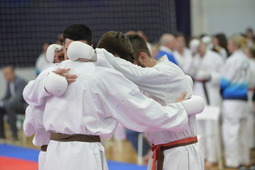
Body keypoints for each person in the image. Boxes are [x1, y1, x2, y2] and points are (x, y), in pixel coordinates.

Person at [23, 25, 205, 170]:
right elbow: (144, 114)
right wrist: (184, 108)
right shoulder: (103, 75)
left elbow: (29, 108)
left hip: (51, 152)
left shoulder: (52, 71)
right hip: (83, 154)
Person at [96, 32, 204, 170]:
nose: (130, 70)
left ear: (142, 57)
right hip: (161, 151)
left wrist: (97, 55)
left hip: (181, 153)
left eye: (132, 65)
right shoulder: (149, 81)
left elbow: (136, 75)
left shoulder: (167, 72)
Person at [190, 40, 224, 166]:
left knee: (211, 127)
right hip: (198, 92)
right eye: (196, 47)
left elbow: (224, 76)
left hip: (212, 93)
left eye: (199, 46)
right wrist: (192, 56)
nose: (198, 49)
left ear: (204, 46)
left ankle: (213, 157)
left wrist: (210, 76)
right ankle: (202, 156)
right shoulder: (195, 58)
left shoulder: (215, 57)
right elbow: (187, 70)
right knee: (199, 128)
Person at [221, 35, 250, 168]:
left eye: (229, 44)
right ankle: (245, 160)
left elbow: (225, 81)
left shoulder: (232, 60)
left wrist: (220, 87)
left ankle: (233, 162)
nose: (227, 46)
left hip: (232, 100)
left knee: (231, 132)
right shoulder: (246, 59)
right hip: (244, 99)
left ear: (234, 45)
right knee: (243, 133)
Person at [0, 66, 27, 141]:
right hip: (14, 105)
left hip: (24, 106)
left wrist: (5, 103)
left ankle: (15, 136)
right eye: (4, 74)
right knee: (2, 108)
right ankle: (2, 135)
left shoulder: (20, 81)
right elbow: (6, 96)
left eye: (7, 74)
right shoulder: (9, 83)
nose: (6, 76)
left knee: (9, 106)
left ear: (13, 73)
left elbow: (18, 99)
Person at [244, 47, 255, 149]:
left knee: (250, 119)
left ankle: (251, 143)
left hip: (250, 93)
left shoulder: (249, 64)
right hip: (249, 92)